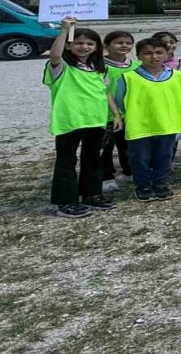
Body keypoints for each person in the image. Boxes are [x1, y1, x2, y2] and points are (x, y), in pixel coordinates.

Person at [44, 18, 119, 218]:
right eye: (78, 43)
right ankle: (65, 202)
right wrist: (64, 31)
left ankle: (92, 195)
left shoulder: (99, 69)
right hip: (69, 120)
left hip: (95, 120)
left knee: (93, 159)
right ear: (69, 45)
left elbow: (105, 92)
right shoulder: (61, 67)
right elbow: (55, 55)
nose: (84, 47)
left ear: (96, 47)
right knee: (66, 161)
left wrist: (115, 113)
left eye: (89, 43)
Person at [113, 37, 181, 201]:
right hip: (141, 125)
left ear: (167, 54)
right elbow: (120, 99)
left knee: (164, 156)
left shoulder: (177, 75)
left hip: (167, 124)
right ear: (138, 56)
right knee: (140, 157)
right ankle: (143, 185)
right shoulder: (129, 77)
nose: (154, 57)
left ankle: (161, 183)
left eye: (159, 52)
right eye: (147, 53)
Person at [101, 30, 138, 192]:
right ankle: (106, 177)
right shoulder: (99, 66)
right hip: (106, 115)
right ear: (106, 46)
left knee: (128, 145)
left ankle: (129, 171)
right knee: (105, 148)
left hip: (130, 113)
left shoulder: (136, 66)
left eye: (128, 43)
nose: (124, 46)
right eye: (119, 42)